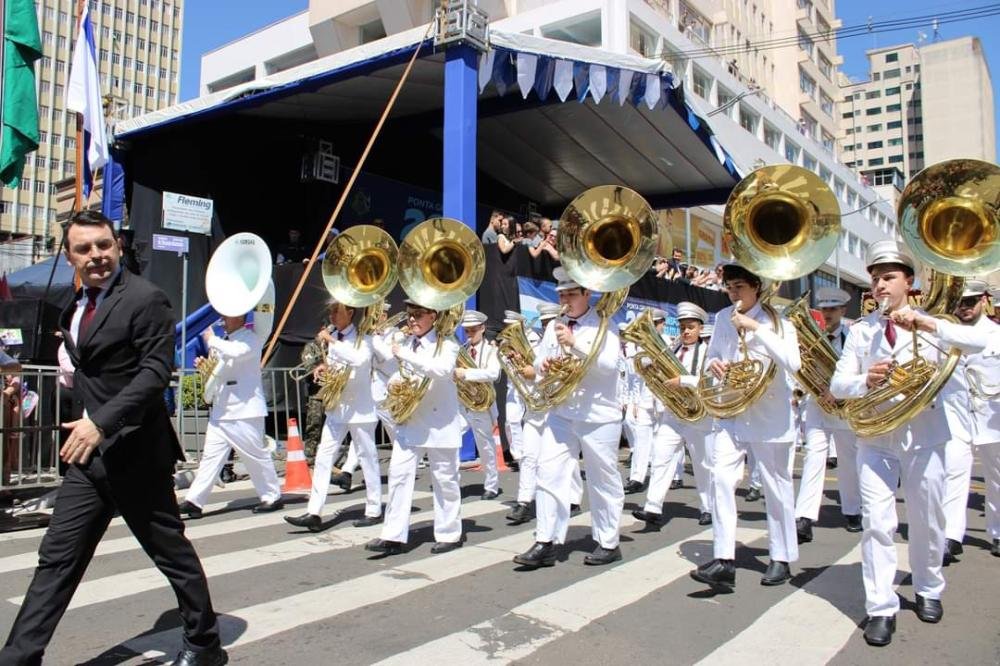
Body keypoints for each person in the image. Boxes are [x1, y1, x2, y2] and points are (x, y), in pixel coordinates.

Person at [0, 211, 225, 666]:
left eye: (103, 245)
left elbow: (154, 374)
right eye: (84, 249)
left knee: (170, 552)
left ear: (117, 247)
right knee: (57, 558)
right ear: (70, 256)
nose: (96, 255)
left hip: (136, 453)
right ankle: (19, 657)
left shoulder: (146, 298)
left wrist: (100, 422)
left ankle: (204, 645)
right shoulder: (76, 304)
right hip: (88, 458)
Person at [830, 240, 988, 647]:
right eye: (875, 279)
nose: (880, 286)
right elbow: (838, 384)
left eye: (889, 278)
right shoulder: (861, 330)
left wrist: (927, 325)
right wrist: (865, 380)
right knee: (877, 524)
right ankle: (880, 607)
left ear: (908, 282)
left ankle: (928, 586)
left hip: (925, 436)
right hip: (876, 439)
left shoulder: (934, 322)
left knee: (927, 519)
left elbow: (980, 343)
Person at [690, 262, 802, 590]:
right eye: (729, 287)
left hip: (770, 415)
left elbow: (792, 362)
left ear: (756, 287)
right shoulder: (723, 317)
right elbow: (713, 356)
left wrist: (755, 327)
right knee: (721, 479)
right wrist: (715, 365)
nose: (733, 293)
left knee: (775, 487)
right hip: (733, 411)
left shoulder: (779, 322)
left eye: (739, 287)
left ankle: (781, 557)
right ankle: (724, 558)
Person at [514, 267, 624, 568]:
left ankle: (608, 542)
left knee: (602, 479)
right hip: (562, 410)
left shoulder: (605, 324)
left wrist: (574, 344)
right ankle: (545, 541)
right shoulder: (555, 325)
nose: (565, 300)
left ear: (587, 294)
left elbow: (608, 366)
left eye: (572, 294)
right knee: (548, 472)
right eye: (561, 295)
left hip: (598, 414)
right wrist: (544, 367)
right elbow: (539, 364)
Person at [365, 300, 463, 556]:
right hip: (412, 421)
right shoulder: (408, 343)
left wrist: (405, 354)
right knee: (398, 475)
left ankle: (449, 534)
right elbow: (402, 373)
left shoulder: (447, 343)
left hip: (440, 423)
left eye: (418, 314)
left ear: (433, 316)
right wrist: (394, 384)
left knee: (445, 480)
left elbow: (442, 370)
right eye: (410, 314)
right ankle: (393, 535)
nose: (412, 319)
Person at [285, 300, 383, 532]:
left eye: (336, 311)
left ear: (350, 312)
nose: (331, 316)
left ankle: (374, 509)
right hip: (337, 408)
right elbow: (340, 367)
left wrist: (331, 341)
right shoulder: (335, 338)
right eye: (330, 311)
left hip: (360, 409)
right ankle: (314, 512)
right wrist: (323, 368)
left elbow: (358, 360)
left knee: (367, 459)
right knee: (323, 457)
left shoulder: (363, 338)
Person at [178, 310, 284, 520]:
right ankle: (194, 501)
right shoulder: (225, 341)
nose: (222, 321)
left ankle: (272, 496)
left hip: (244, 410)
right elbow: (221, 371)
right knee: (210, 458)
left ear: (238, 318)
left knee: (255, 456)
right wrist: (205, 367)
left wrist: (212, 340)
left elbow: (236, 352)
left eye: (226, 317)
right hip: (222, 410)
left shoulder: (250, 338)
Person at [634, 303, 714, 527]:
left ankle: (708, 508)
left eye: (690, 327)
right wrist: (649, 364)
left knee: (703, 464)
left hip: (699, 416)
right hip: (673, 414)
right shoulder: (672, 349)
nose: (686, 332)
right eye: (682, 327)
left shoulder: (709, 352)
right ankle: (653, 507)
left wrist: (684, 381)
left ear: (700, 328)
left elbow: (710, 383)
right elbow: (651, 367)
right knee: (661, 457)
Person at [794, 287, 862, 543]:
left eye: (833, 309)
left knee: (848, 462)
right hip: (817, 406)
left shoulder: (853, 337)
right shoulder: (813, 338)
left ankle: (852, 510)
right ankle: (804, 517)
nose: (828, 314)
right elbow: (801, 369)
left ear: (843, 310)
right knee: (813, 458)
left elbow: (859, 371)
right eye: (824, 309)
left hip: (845, 407)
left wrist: (838, 390)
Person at [939, 280, 999, 564]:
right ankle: (950, 536)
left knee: (996, 479)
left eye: (970, 302)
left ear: (983, 302)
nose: (964, 308)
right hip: (957, 417)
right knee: (953, 474)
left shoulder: (996, 334)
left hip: (992, 419)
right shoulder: (946, 335)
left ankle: (997, 532)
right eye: (960, 303)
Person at [455, 310, 502, 500]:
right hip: (463, 404)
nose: (470, 334)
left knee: (485, 447)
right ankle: (451, 482)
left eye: (473, 330)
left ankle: (491, 485)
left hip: (482, 405)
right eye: (467, 331)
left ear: (482, 328)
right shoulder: (462, 349)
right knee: (451, 441)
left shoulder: (491, 350)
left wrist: (466, 374)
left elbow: (493, 373)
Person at [621, 314, 659, 495]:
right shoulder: (638, 349)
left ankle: (674, 475)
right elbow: (635, 379)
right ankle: (637, 477)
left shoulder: (668, 343)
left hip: (664, 400)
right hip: (645, 398)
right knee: (641, 438)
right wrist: (634, 402)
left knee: (666, 442)